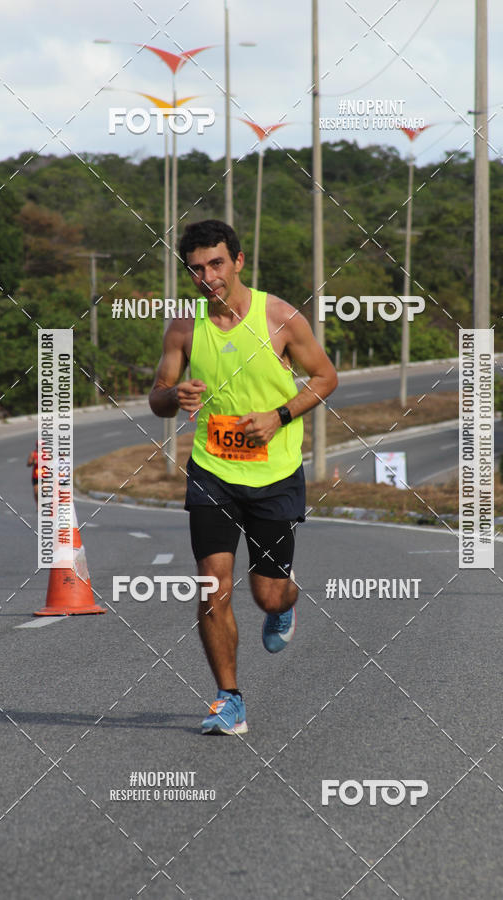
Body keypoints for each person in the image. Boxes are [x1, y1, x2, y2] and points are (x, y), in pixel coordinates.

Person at [149, 219, 338, 735]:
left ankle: (285, 602)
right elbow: (158, 397)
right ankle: (228, 699)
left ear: (238, 261)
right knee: (213, 587)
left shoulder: (280, 317)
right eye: (196, 268)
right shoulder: (184, 329)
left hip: (275, 476)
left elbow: (325, 378)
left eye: (216, 263)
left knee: (267, 595)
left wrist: (279, 417)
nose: (208, 276)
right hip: (212, 472)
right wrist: (174, 397)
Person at [27, 441, 39, 506]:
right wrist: (32, 462)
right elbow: (28, 464)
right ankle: (38, 505)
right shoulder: (33, 454)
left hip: (45, 476)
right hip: (36, 476)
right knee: (36, 492)